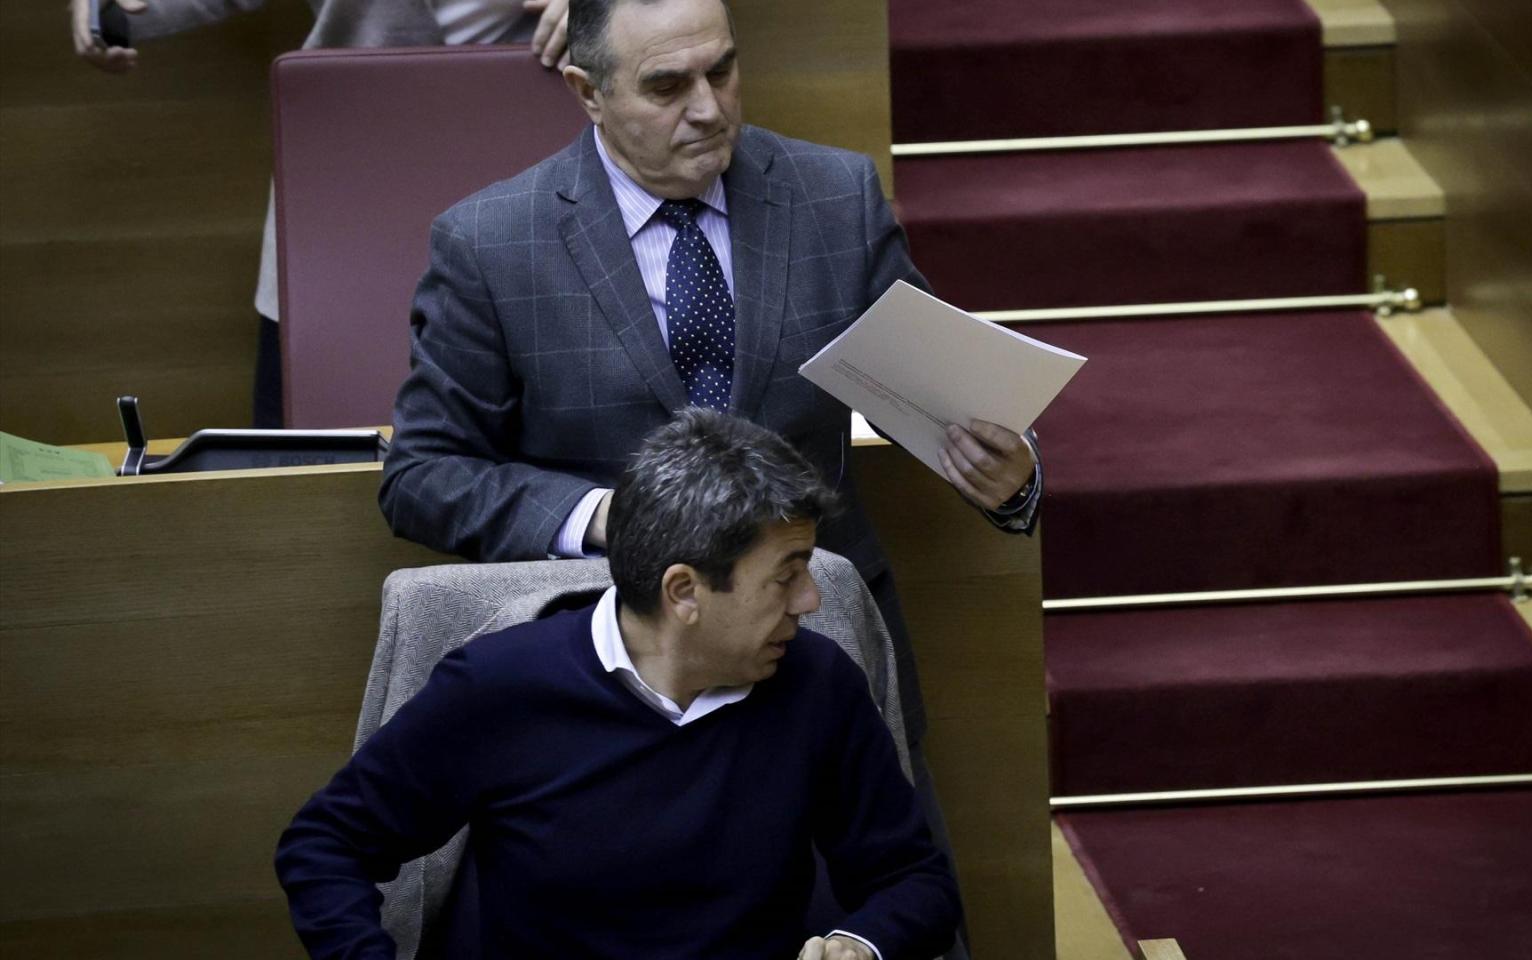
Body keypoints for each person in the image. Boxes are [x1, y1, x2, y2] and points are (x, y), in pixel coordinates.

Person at [380, 0, 1040, 780]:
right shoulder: (491, 244)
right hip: (610, 668)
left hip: (818, 645)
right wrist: (606, 518)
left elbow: (928, 393)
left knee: (889, 897)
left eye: (721, 71)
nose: (707, 109)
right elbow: (425, 474)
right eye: (666, 86)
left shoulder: (834, 197)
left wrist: (1009, 475)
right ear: (588, 92)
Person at [277, 408, 961, 960]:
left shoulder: (818, 687)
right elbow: (325, 844)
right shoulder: (500, 686)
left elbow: (914, 879)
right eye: (787, 574)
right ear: (683, 591)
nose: (812, 600)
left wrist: (860, 943)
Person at [67, 0, 577, 428]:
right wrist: (108, 12)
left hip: (532, 160)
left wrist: (611, 15)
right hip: (338, 179)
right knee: (302, 466)